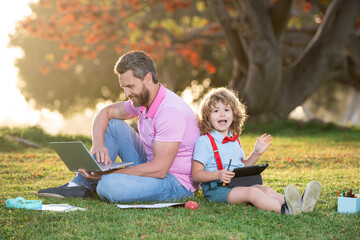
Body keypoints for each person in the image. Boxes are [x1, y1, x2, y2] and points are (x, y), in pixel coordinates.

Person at [38, 51, 200, 202]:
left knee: (109, 185)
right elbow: (105, 113)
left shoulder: (170, 111)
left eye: (130, 86)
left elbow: (159, 170)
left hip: (174, 181)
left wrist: (110, 173)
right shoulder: (143, 99)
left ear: (148, 78)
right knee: (113, 125)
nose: (127, 94)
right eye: (124, 87)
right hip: (150, 166)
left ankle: (97, 180)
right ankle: (81, 185)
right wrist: (99, 145)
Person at [192, 87, 321, 214]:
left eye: (226, 109)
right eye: (216, 111)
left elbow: (242, 168)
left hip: (237, 185)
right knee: (253, 193)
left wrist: (256, 152)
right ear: (207, 116)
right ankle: (285, 210)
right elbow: (196, 174)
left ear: (234, 114)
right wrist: (218, 175)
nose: (222, 114)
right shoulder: (205, 142)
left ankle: (300, 204)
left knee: (266, 190)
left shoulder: (234, 139)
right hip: (217, 190)